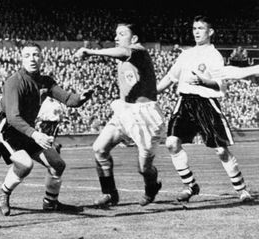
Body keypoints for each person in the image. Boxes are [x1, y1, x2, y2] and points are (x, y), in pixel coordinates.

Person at [157, 15, 252, 203]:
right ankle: (191, 186)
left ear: (210, 32)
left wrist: (203, 81)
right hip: (185, 102)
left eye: (201, 28)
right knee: (171, 143)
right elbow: (169, 78)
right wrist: (150, 93)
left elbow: (218, 86)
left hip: (206, 103)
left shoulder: (214, 56)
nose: (197, 32)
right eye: (194, 28)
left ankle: (241, 189)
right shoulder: (185, 54)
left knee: (221, 151)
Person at [0, 41, 93, 216]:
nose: (32, 59)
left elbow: (69, 99)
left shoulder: (45, 81)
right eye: (27, 55)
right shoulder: (14, 82)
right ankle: (4, 192)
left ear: (41, 58)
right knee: (25, 165)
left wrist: (81, 98)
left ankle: (50, 202)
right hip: (6, 130)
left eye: (36, 55)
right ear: (21, 59)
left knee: (58, 164)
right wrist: (35, 134)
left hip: (28, 130)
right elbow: (13, 117)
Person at [75, 21, 166, 207]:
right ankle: (110, 194)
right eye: (116, 34)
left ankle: (151, 186)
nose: (116, 38)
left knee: (144, 168)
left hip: (145, 116)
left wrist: (92, 51)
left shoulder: (139, 51)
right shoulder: (122, 57)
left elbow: (123, 52)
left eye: (122, 34)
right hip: (125, 110)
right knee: (99, 149)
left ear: (134, 39)